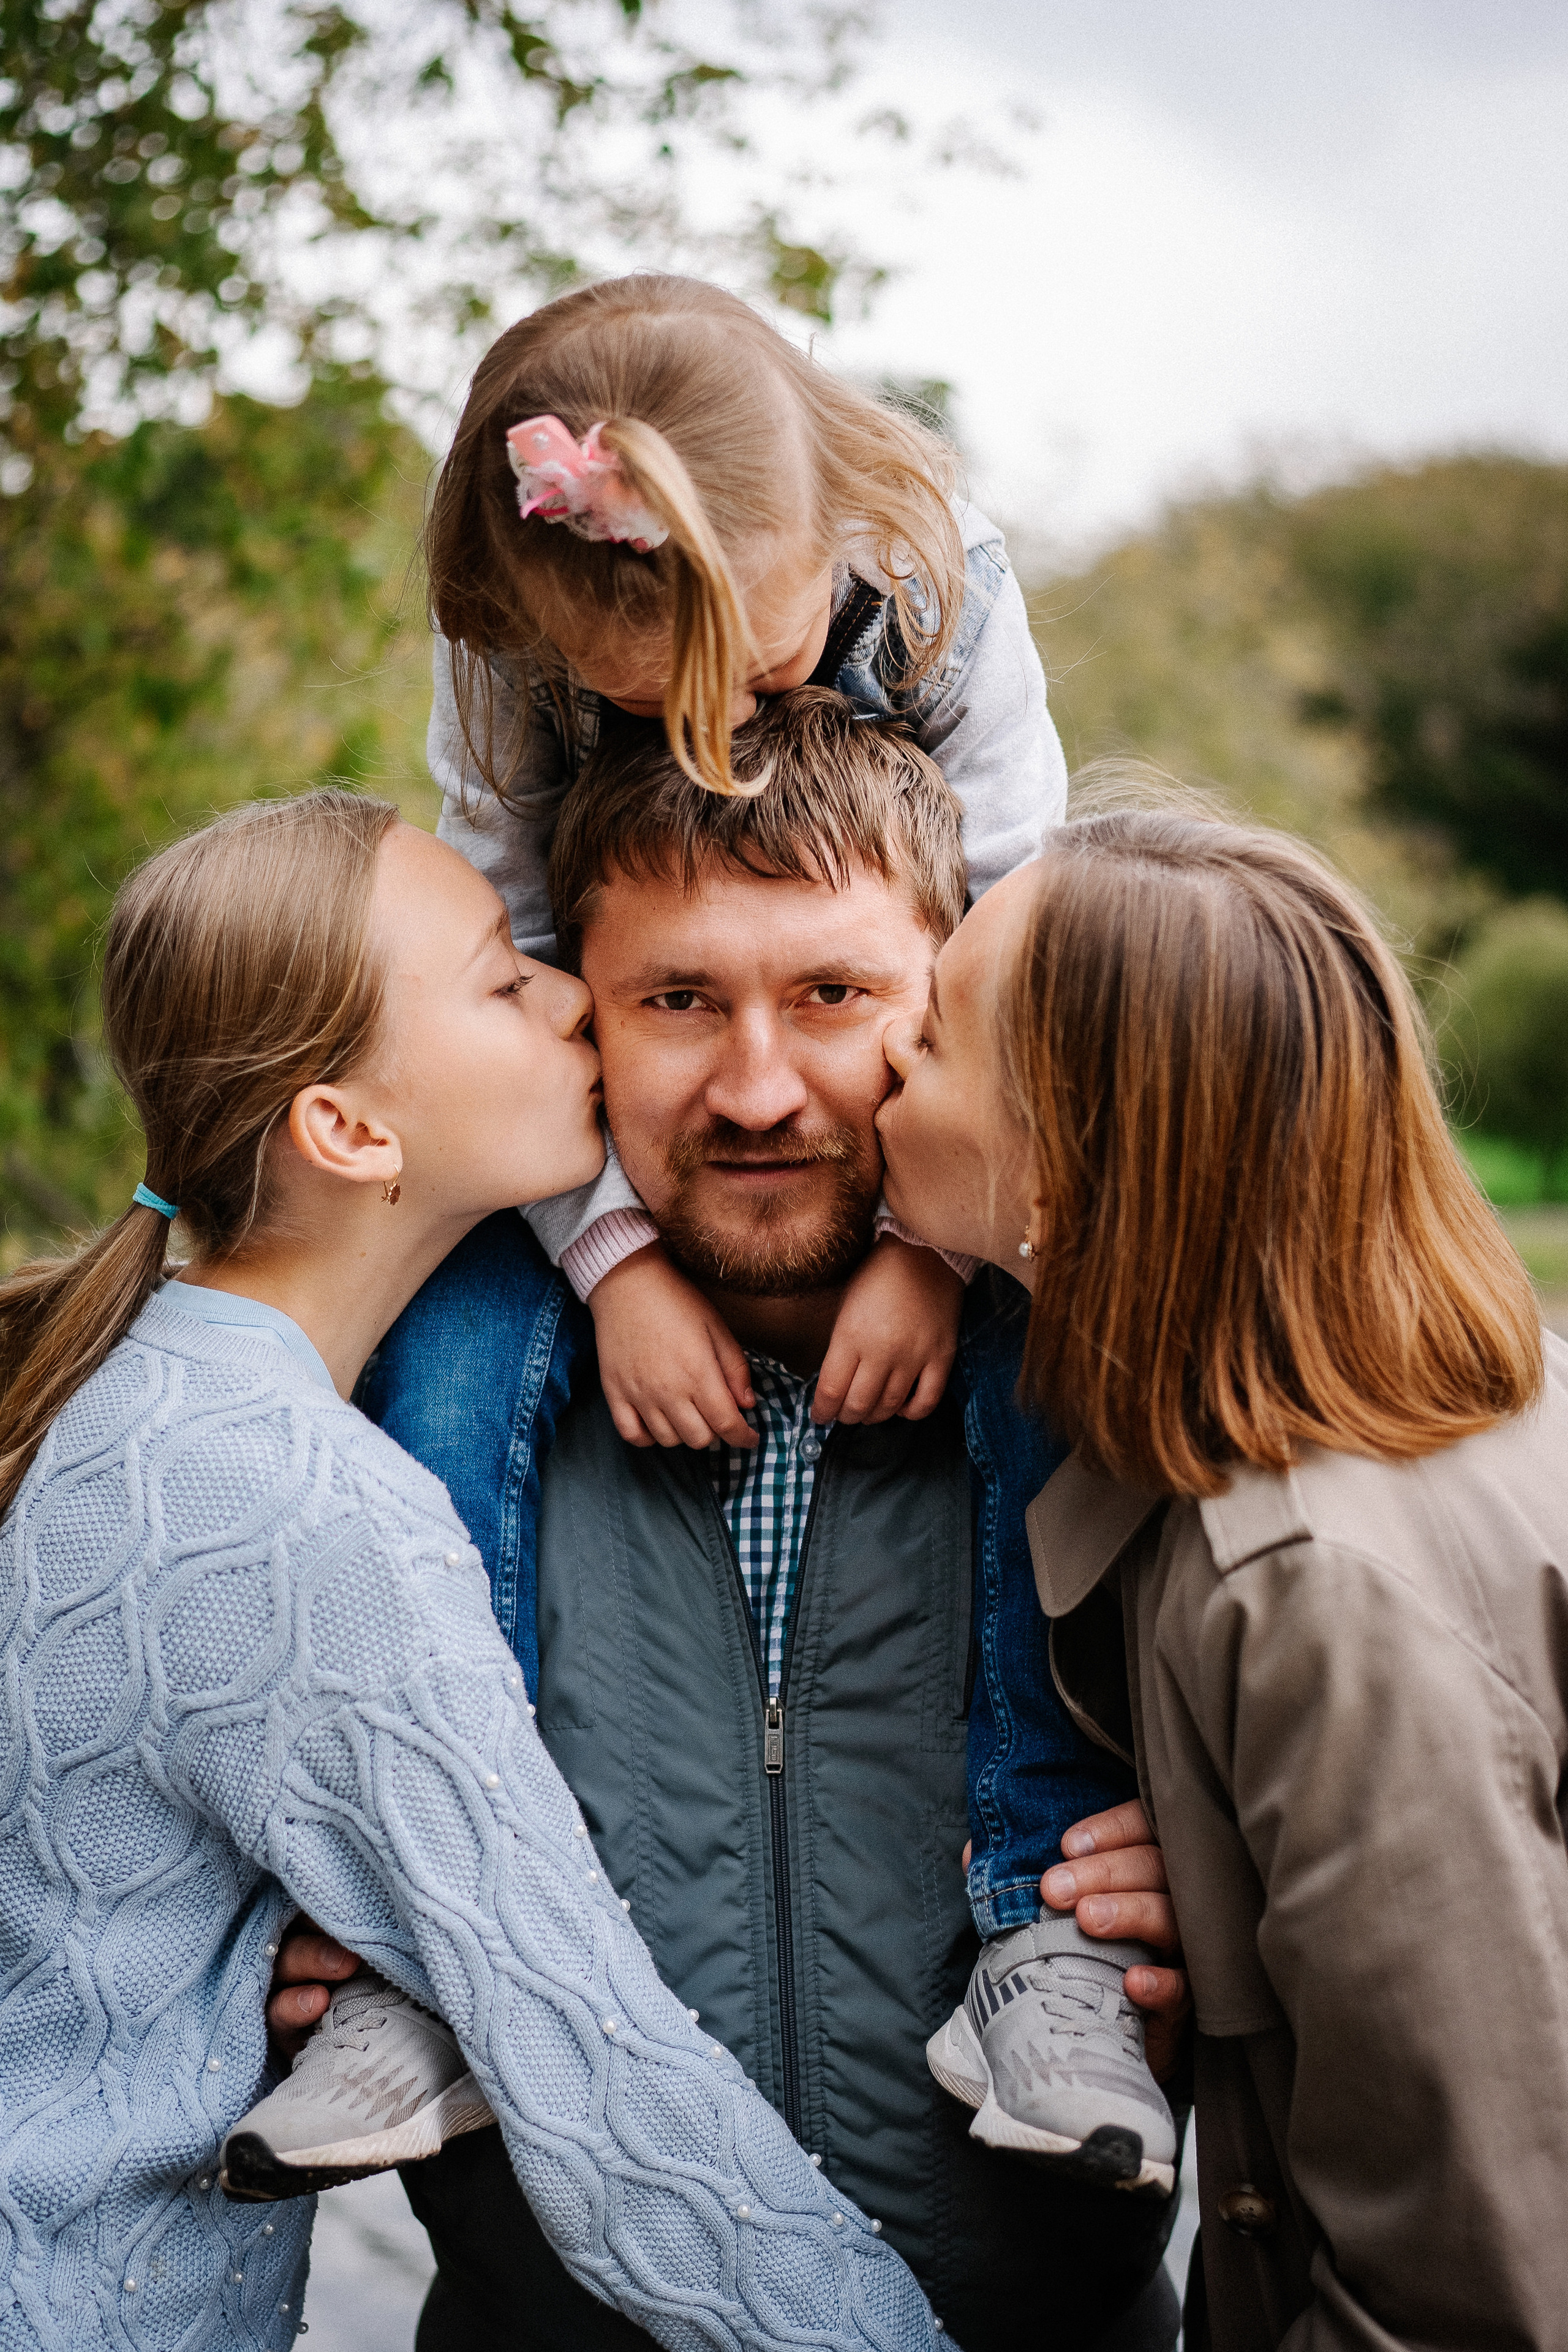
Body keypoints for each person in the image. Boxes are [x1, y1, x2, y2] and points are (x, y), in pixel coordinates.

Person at [254, 698, 1189, 2352]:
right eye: (677, 1001)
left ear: (948, 994)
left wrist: (1221, 1886)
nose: (759, 1090)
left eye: (834, 995)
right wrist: (265, 1912)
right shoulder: (382, 1391)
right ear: (578, 1008)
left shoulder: (1128, 1381)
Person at [0, 786, 954, 2352]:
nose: (571, 989)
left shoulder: (149, 1398)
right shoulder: (302, 1503)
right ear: (353, 1130)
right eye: (508, 981)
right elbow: (603, 2088)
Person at [398, 270, 1177, 2132]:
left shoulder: (940, 586)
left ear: (832, 513)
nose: (700, 715)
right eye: (628, 693)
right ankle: (442, 1925)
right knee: (450, 1329)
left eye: (750, 662)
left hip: (942, 1121)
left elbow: (1012, 931)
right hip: (578, 1112)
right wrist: (599, 1255)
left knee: (1026, 1334)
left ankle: (1035, 1926)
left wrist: (927, 1243)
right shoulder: (514, 629)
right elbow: (499, 942)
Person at [875, 799, 1568, 2351]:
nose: (875, 1073)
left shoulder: (1324, 1592)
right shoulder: (1385, 1420)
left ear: (1054, 1187)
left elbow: (1460, 2291)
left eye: (925, 1041)